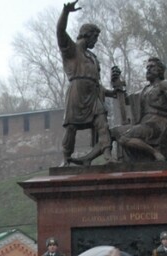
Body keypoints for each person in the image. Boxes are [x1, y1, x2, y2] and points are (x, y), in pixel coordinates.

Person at [57, 1, 112, 166]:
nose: (96, 42)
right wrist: (65, 12)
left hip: (93, 95)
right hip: (77, 93)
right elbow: (60, 31)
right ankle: (66, 158)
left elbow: (96, 82)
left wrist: (111, 93)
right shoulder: (71, 50)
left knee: (102, 122)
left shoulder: (93, 58)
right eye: (95, 38)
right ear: (87, 35)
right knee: (71, 127)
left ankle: (108, 155)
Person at [110, 57, 167, 162]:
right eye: (147, 67)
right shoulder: (144, 90)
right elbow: (126, 100)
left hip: (157, 124)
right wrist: (117, 86)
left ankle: (155, 152)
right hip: (143, 124)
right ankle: (113, 160)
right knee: (113, 132)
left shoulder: (164, 84)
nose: (148, 69)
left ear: (159, 70)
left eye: (152, 67)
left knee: (123, 138)